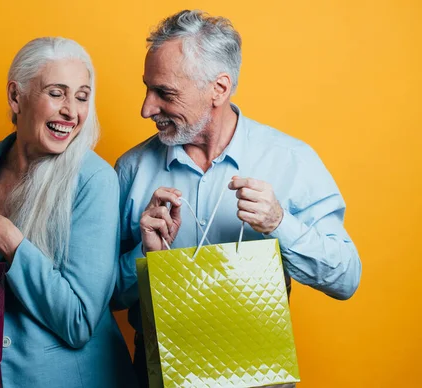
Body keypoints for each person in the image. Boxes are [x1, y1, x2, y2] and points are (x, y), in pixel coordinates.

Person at [113, 10, 362, 387]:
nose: (146, 108)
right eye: (147, 88)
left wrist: (281, 224)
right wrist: (144, 258)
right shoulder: (132, 169)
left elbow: (345, 278)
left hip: (258, 376)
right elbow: (102, 297)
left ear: (219, 88)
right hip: (157, 376)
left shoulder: (290, 160)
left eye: (164, 92)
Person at [0, 37, 136, 387]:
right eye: (57, 93)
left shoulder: (95, 180)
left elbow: (79, 321)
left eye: (82, 96)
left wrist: (12, 243)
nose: (71, 112)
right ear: (16, 96)